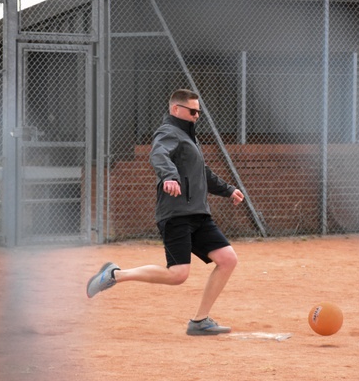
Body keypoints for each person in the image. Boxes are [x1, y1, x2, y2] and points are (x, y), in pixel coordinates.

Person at [86, 89, 245, 335]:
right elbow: (158, 154)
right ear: (176, 109)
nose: (196, 116)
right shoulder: (168, 132)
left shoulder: (189, 139)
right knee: (178, 274)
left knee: (227, 259)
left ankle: (200, 321)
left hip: (198, 214)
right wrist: (169, 176)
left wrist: (228, 190)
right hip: (176, 214)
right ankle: (115, 274)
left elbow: (202, 173)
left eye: (199, 112)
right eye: (192, 111)